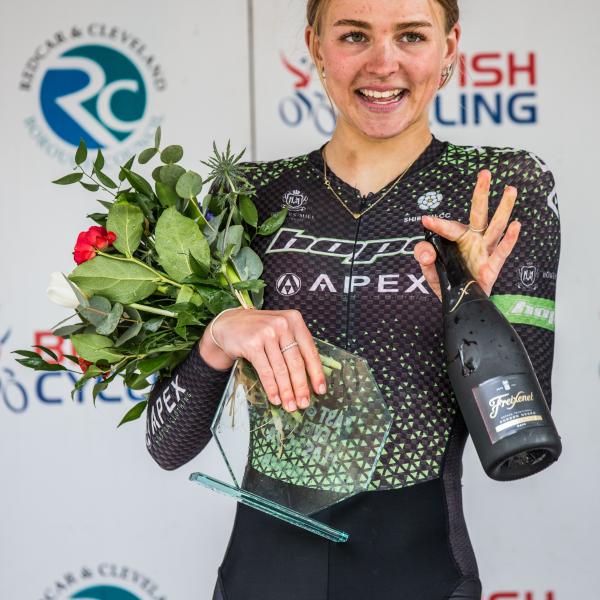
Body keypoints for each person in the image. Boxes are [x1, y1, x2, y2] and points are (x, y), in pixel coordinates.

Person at [145, 1, 560, 598]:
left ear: (450, 46)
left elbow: (520, 446)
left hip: (422, 571)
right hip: (262, 573)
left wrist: (472, 313)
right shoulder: (248, 196)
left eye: (411, 36)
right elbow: (166, 446)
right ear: (316, 45)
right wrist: (216, 340)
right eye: (355, 35)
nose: (383, 63)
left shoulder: (497, 190)